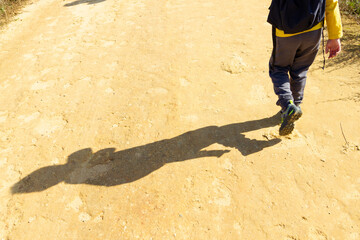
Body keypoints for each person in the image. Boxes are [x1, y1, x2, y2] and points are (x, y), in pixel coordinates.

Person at [267, 0, 343, 135]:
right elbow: (331, 4)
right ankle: (295, 106)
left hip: (286, 31)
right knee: (300, 69)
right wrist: (334, 36)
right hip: (313, 30)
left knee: (279, 68)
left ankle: (288, 106)